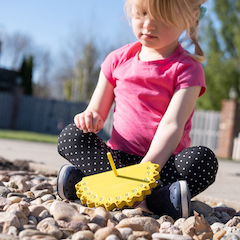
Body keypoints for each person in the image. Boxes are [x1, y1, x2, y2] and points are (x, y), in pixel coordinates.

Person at [57, 0, 218, 219]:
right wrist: (90, 118)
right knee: (71, 136)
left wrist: (146, 172)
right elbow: (96, 111)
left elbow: (173, 124)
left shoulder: (187, 69)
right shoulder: (117, 60)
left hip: (162, 165)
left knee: (202, 160)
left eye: (161, 18)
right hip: (116, 161)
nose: (149, 24)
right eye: (142, 13)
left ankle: (97, 187)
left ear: (190, 18)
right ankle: (152, 199)